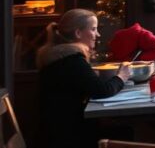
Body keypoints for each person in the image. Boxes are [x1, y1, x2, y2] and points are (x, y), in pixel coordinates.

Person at [37, 9, 131, 148]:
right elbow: (102, 91)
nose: (97, 35)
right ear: (78, 33)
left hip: (58, 130)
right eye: (93, 29)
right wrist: (121, 77)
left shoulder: (61, 57)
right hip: (67, 137)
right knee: (126, 132)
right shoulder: (72, 60)